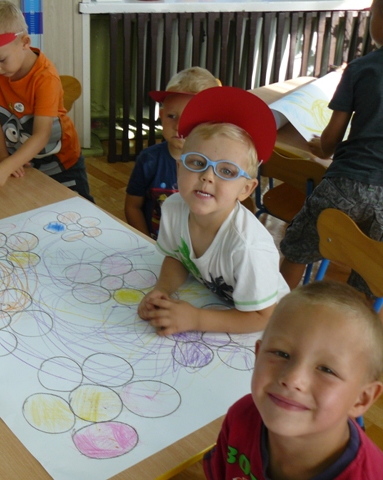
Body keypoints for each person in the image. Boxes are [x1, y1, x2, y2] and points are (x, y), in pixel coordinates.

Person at [137, 87, 289, 335]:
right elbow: (177, 257)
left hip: (264, 328)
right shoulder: (174, 207)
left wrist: (196, 319)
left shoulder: (248, 246)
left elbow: (263, 316)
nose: (207, 176)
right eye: (197, 162)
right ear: (179, 168)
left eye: (226, 171)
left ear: (246, 189)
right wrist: (162, 290)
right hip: (219, 305)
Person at [204, 281, 383, 479]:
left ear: (361, 399)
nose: (292, 379)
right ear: (258, 355)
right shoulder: (242, 416)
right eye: (281, 353)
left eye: (326, 370)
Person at [280, 0, 383, 292]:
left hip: (346, 184)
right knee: (373, 276)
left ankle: (272, 308)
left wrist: (320, 148)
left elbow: (329, 142)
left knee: (298, 248)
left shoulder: (361, 68)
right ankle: (358, 319)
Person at [0, 0, 93, 202]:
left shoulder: (45, 78)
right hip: (22, 162)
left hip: (62, 163)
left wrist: (6, 166)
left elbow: (42, 135)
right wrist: (3, 160)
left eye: (0, 59)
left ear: (25, 42)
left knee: (78, 207)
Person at [125, 67, 220, 239]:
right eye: (171, 116)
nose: (178, 126)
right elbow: (133, 207)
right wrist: (146, 242)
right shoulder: (148, 160)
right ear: (161, 116)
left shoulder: (217, 167)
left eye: (191, 118)